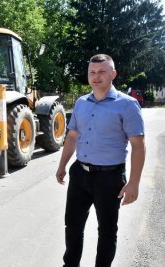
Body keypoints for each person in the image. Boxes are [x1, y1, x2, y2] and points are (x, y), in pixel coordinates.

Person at [55, 54, 145, 267]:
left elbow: (138, 145)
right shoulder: (81, 103)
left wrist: (134, 182)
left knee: (106, 231)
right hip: (80, 174)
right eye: (92, 73)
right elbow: (72, 136)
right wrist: (62, 165)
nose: (96, 77)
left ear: (112, 74)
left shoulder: (127, 105)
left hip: (109, 178)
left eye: (102, 72)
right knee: (73, 226)